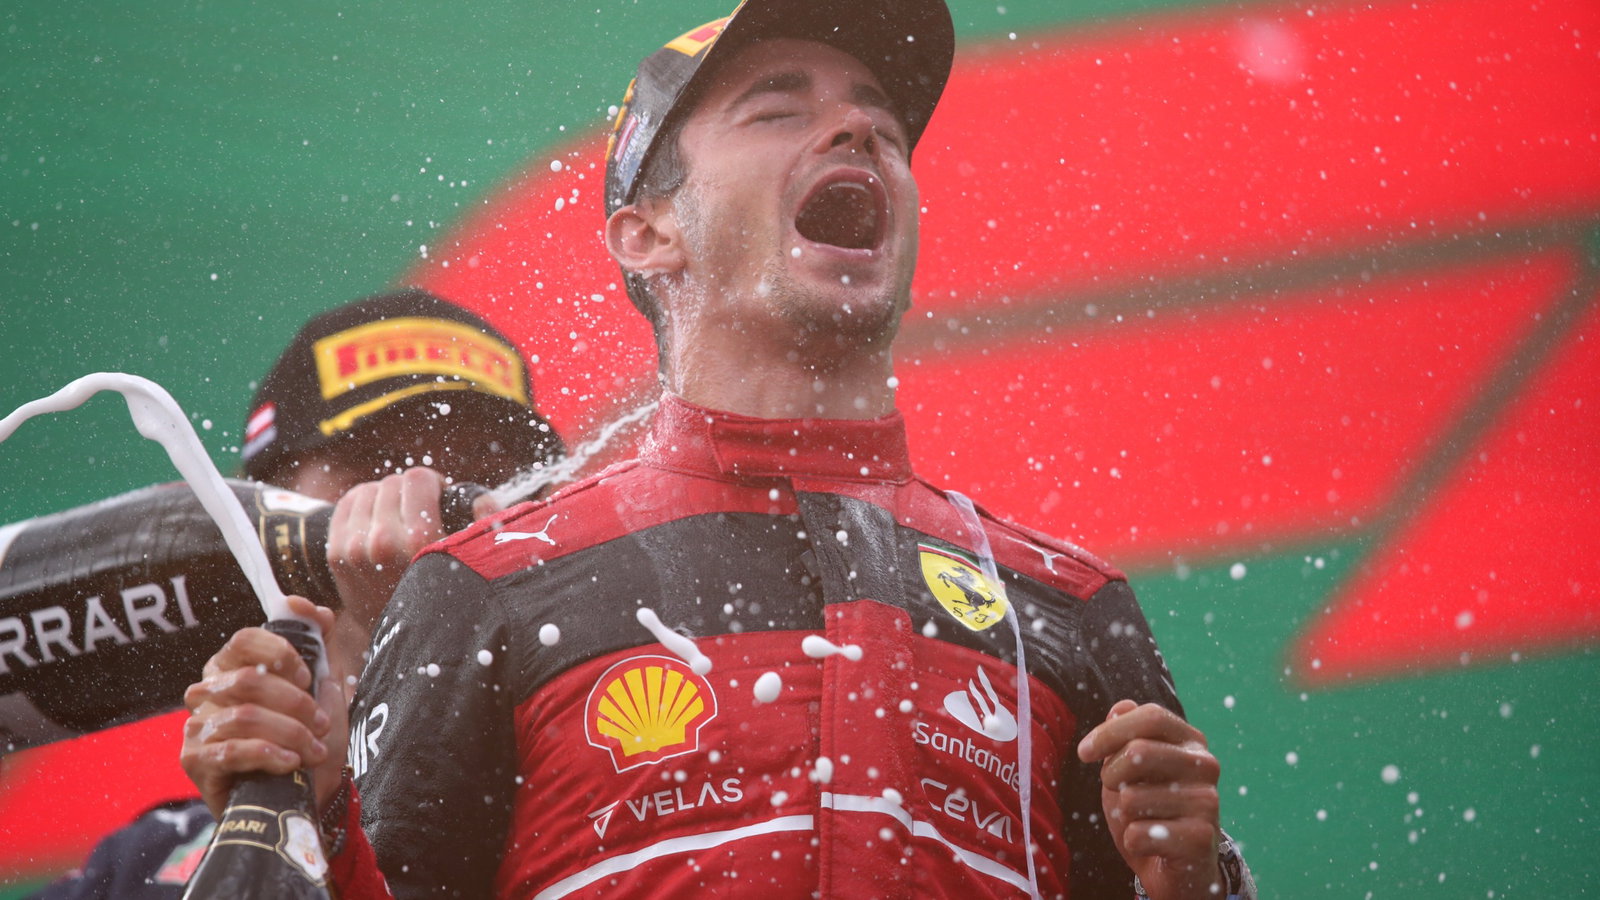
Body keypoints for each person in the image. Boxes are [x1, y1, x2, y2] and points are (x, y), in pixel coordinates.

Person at [181, 2, 1256, 898]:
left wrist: (1203, 887)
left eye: (877, 119)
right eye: (780, 109)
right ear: (650, 233)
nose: (855, 133)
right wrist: (309, 808)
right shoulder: (488, 587)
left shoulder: (1064, 604)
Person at [31, 288, 562, 898]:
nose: (429, 501)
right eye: (379, 466)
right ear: (257, 513)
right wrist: (298, 816)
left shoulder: (611, 788)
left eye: (488, 473)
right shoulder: (142, 868)